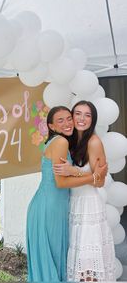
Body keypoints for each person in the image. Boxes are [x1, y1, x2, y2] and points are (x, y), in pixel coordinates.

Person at [26, 105, 107, 282]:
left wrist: (82, 173)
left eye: (68, 118)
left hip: (57, 206)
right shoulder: (62, 142)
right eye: (60, 120)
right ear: (52, 127)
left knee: (62, 260)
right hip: (51, 208)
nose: (68, 122)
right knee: (56, 261)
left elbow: (98, 180)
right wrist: (92, 176)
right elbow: (61, 182)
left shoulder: (70, 142)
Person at [53, 100, 116, 282]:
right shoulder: (69, 141)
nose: (82, 118)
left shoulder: (94, 141)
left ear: (93, 120)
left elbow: (100, 181)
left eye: (87, 115)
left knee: (88, 265)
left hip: (89, 207)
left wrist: (75, 171)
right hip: (73, 204)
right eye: (78, 113)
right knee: (78, 261)